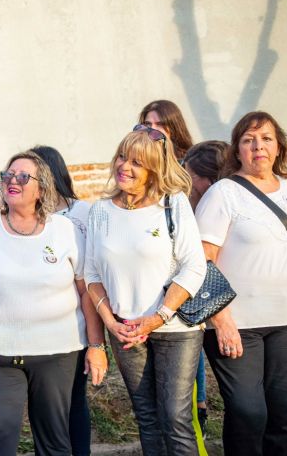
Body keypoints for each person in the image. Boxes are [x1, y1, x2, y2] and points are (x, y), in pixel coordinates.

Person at [0, 151, 106, 455]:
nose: (12, 181)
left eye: (22, 176)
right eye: (8, 174)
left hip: (57, 351)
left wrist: (96, 347)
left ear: (41, 188)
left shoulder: (65, 231)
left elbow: (87, 291)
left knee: (55, 438)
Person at [85, 126, 206, 455]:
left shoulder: (173, 204)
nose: (125, 166)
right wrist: (111, 323)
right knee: (147, 417)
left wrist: (159, 316)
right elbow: (92, 274)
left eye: (137, 162)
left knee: (175, 417)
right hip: (124, 330)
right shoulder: (100, 212)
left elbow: (195, 266)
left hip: (175, 327)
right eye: (122, 157)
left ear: (154, 168)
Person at [195, 111, 287, 456]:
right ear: (237, 150)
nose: (258, 146)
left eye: (266, 138)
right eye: (248, 140)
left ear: (279, 147)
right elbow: (202, 261)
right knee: (248, 412)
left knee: (283, 413)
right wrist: (221, 321)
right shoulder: (223, 193)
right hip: (239, 325)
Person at [32, 145, 100, 456]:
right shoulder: (30, 217)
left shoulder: (83, 212)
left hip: (80, 318)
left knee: (74, 398)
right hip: (41, 322)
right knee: (43, 401)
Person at [182, 139, 228, 436]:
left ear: (208, 181)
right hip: (214, 317)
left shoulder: (211, 211)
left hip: (223, 317)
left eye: (189, 177)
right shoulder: (196, 208)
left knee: (249, 402)